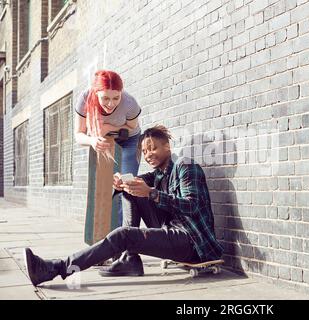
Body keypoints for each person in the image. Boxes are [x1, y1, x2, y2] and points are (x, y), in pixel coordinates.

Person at [23, 125, 224, 286]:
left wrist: (152, 193)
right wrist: (121, 183)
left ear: (167, 148)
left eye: (153, 148)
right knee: (131, 187)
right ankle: (130, 258)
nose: (148, 155)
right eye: (144, 151)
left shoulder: (186, 166)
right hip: (173, 232)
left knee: (124, 233)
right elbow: (137, 184)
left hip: (193, 242)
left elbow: (192, 206)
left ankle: (55, 268)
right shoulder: (159, 174)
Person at [74, 70, 142, 228]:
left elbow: (131, 128)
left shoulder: (129, 103)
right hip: (101, 141)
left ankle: (128, 234)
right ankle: (112, 235)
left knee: (125, 184)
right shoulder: (84, 99)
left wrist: (106, 127)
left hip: (129, 140)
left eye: (115, 98)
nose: (111, 103)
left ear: (121, 93)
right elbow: (79, 135)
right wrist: (92, 140)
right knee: (108, 188)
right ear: (96, 93)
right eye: (105, 98)